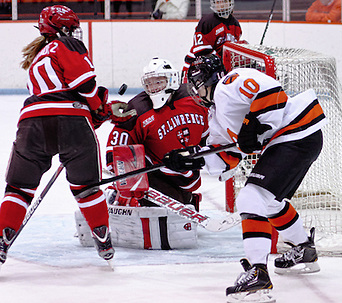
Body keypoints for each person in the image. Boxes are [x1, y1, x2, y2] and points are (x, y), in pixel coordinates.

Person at [165, 54, 325, 301]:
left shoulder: (231, 82)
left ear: (211, 78)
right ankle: (304, 248)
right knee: (269, 202)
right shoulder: (216, 115)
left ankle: (258, 274)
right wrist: (192, 159)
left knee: (251, 198)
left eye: (198, 82)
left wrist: (253, 122)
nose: (196, 89)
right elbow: (226, 157)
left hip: (296, 131)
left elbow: (272, 91)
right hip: (295, 140)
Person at [0, 5, 132, 266]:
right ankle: (101, 235)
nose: (74, 32)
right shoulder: (66, 45)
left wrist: (96, 111)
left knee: (19, 188)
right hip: (72, 121)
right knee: (86, 187)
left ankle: (3, 237)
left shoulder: (37, 57)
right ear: (60, 29)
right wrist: (99, 111)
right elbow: (85, 85)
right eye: (70, 28)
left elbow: (52, 94)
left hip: (31, 123)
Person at [105, 57, 209, 213]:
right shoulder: (138, 108)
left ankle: (186, 198)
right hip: (154, 174)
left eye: (158, 82)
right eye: (149, 83)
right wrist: (119, 171)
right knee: (156, 208)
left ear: (172, 79)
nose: (153, 87)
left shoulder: (195, 98)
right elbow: (118, 145)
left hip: (187, 175)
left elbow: (209, 137)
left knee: (181, 202)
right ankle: (120, 196)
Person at [181, 0, 242, 82]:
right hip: (197, 67)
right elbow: (200, 50)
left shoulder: (235, 24)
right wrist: (221, 63)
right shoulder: (207, 22)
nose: (221, 5)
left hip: (219, 69)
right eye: (218, 2)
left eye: (224, 1)